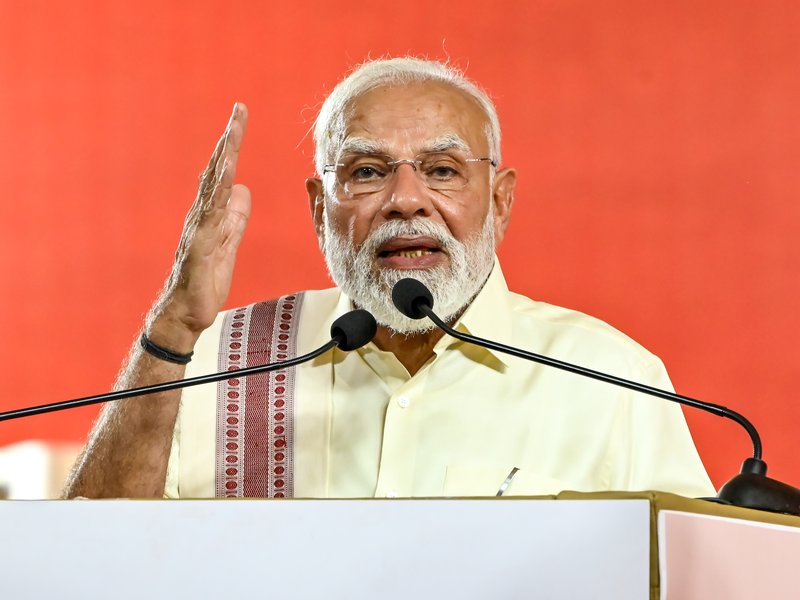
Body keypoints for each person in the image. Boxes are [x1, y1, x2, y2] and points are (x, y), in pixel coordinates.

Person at [63, 57, 714, 499]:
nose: (405, 200)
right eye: (368, 172)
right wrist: (174, 327)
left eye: (442, 170)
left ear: (500, 201)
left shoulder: (612, 381)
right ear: (319, 209)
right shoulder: (216, 361)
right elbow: (89, 563)